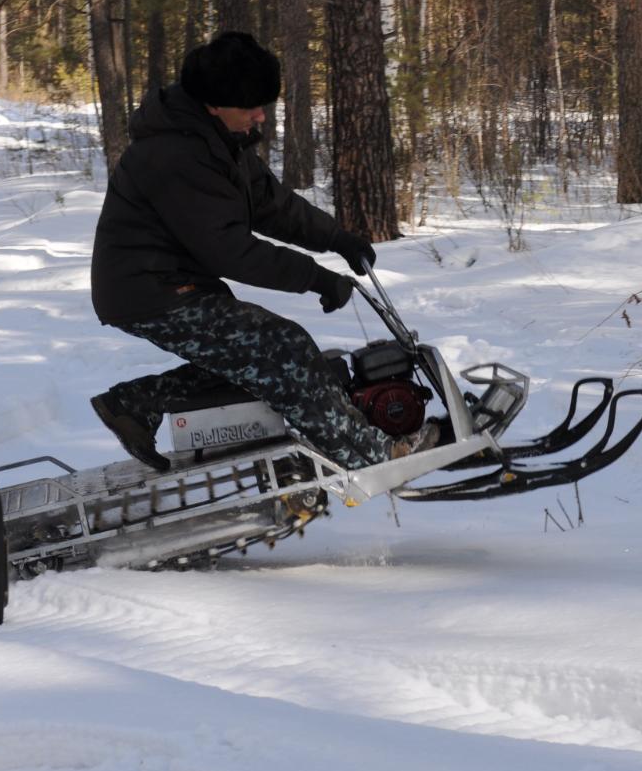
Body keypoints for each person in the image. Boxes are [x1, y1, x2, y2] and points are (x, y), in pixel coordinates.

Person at [88, 31, 437, 471]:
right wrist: (316, 277)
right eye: (250, 108)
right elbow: (229, 249)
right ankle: (371, 455)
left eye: (263, 106)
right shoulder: (175, 154)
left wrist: (336, 238)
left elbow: (273, 204)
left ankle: (134, 403)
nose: (260, 118)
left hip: (172, 282)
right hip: (149, 291)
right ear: (214, 103)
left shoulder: (215, 139)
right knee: (283, 348)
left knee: (254, 362)